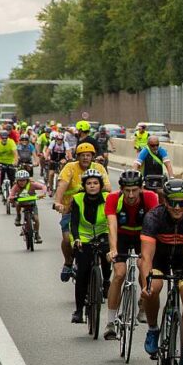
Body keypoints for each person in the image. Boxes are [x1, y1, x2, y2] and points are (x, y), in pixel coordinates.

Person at [140, 179, 183, 365]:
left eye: (182, 202)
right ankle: (153, 329)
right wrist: (146, 284)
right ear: (164, 201)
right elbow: (147, 256)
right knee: (153, 288)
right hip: (160, 259)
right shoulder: (153, 217)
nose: (177, 207)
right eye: (172, 202)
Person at [102, 170, 160, 341]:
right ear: (121, 189)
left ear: (141, 188)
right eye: (127, 191)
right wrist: (113, 249)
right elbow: (112, 225)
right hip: (122, 236)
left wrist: (147, 253)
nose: (131, 194)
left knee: (144, 267)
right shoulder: (113, 199)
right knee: (119, 273)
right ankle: (110, 323)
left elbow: (153, 225)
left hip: (143, 235)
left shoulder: (150, 197)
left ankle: (143, 306)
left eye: (135, 190)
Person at [53, 143, 112, 283]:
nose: (85, 158)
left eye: (88, 155)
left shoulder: (98, 168)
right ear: (77, 157)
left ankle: (105, 279)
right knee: (68, 239)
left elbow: (108, 187)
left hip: (94, 210)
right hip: (71, 209)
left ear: (92, 156)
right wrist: (58, 202)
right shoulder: (70, 167)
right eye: (82, 155)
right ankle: (68, 262)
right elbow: (62, 186)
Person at [68, 169, 111, 324]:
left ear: (100, 185)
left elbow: (113, 220)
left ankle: (106, 280)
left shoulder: (108, 198)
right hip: (83, 237)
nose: (92, 186)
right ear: (84, 186)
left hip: (103, 233)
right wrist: (77, 239)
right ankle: (79, 310)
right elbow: (73, 223)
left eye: (95, 183)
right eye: (89, 183)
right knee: (82, 274)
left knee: (108, 255)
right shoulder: (78, 199)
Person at [8, 169, 47, 243]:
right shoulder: (15, 187)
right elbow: (11, 195)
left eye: (23, 180)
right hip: (21, 204)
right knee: (17, 204)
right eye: (20, 180)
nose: (22, 182)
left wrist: (43, 193)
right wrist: (11, 198)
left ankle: (37, 234)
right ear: (17, 181)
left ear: (27, 180)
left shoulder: (32, 184)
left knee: (36, 219)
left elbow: (43, 187)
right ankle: (18, 217)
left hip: (32, 204)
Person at [0, 129, 18, 195]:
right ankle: (0, 187)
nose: (4, 139)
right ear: (0, 138)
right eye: (3, 138)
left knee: (12, 176)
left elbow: (15, 153)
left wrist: (15, 162)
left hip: (10, 161)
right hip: (0, 161)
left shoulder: (11, 142)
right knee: (1, 174)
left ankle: (12, 190)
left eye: (6, 138)